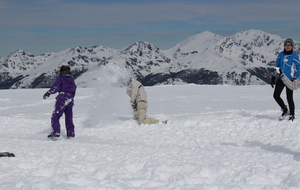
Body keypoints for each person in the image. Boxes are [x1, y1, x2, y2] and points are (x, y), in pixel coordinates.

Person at [43, 65, 77, 138]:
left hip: (62, 98)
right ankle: (71, 134)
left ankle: (56, 132)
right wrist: (71, 97)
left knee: (56, 115)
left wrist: (49, 92)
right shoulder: (71, 79)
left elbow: (56, 87)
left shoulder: (60, 78)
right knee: (69, 118)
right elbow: (74, 89)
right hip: (70, 99)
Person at [271, 38, 300, 121]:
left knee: (289, 97)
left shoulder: (295, 56)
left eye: (289, 45)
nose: (288, 46)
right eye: (286, 45)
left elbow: (299, 68)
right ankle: (285, 109)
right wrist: (273, 76)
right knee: (276, 95)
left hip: (290, 80)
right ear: (284, 46)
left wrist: (296, 78)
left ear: (292, 46)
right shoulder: (280, 55)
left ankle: (292, 114)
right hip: (281, 78)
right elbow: (277, 66)